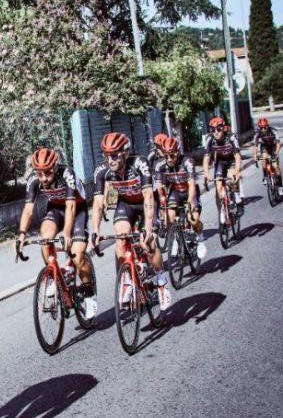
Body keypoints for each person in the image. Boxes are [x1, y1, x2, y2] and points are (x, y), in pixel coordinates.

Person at [90, 133, 172, 311]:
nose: (109, 160)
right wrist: (95, 231)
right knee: (120, 239)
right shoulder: (102, 171)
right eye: (106, 155)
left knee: (147, 243)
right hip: (126, 204)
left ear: (125, 153)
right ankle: (126, 281)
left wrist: (149, 228)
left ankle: (161, 280)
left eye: (114, 155)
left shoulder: (140, 164)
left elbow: (149, 196)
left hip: (145, 205)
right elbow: (97, 203)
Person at [15, 148, 98, 319]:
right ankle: (53, 277)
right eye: (40, 173)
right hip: (55, 209)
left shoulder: (67, 174)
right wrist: (21, 234)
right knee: (45, 238)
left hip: (76, 209)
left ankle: (89, 295)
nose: (44, 178)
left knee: (77, 255)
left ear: (55, 166)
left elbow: (71, 206)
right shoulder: (34, 180)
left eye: (47, 173)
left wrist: (66, 233)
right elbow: (28, 210)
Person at [153, 137, 207, 259]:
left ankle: (201, 239)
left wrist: (190, 202)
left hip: (189, 191)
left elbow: (192, 184)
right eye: (166, 156)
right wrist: (162, 199)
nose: (169, 159)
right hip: (175, 192)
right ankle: (176, 240)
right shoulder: (160, 165)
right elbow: (159, 186)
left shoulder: (187, 161)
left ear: (177, 152)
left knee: (193, 220)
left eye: (172, 156)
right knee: (170, 216)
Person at [202, 117, 243, 222]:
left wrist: (237, 172)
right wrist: (206, 174)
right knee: (218, 191)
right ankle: (221, 213)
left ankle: (237, 196)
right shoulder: (209, 139)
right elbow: (206, 158)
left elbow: (237, 156)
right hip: (220, 163)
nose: (216, 132)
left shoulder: (231, 137)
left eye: (218, 129)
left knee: (231, 179)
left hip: (231, 161)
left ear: (223, 128)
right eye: (213, 130)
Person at [255, 118, 283, 195]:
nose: (263, 129)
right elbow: (255, 146)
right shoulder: (258, 133)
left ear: (268, 126)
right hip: (265, 148)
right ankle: (265, 177)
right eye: (261, 128)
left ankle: (280, 186)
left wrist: (276, 153)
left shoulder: (273, 131)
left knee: (275, 166)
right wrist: (255, 156)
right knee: (264, 160)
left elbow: (278, 144)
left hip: (273, 147)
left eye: (265, 127)